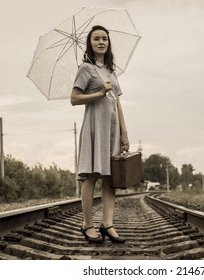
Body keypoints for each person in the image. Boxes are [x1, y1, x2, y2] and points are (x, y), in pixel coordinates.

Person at [70, 25, 129, 244]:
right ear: (90, 43)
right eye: (97, 39)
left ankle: (108, 224)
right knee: (91, 175)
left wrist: (124, 132)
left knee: (110, 179)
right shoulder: (86, 68)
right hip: (95, 127)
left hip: (112, 129)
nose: (101, 42)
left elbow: (118, 102)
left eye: (104, 38)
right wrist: (99, 92)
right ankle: (87, 225)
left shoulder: (111, 71)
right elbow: (74, 98)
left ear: (108, 43)